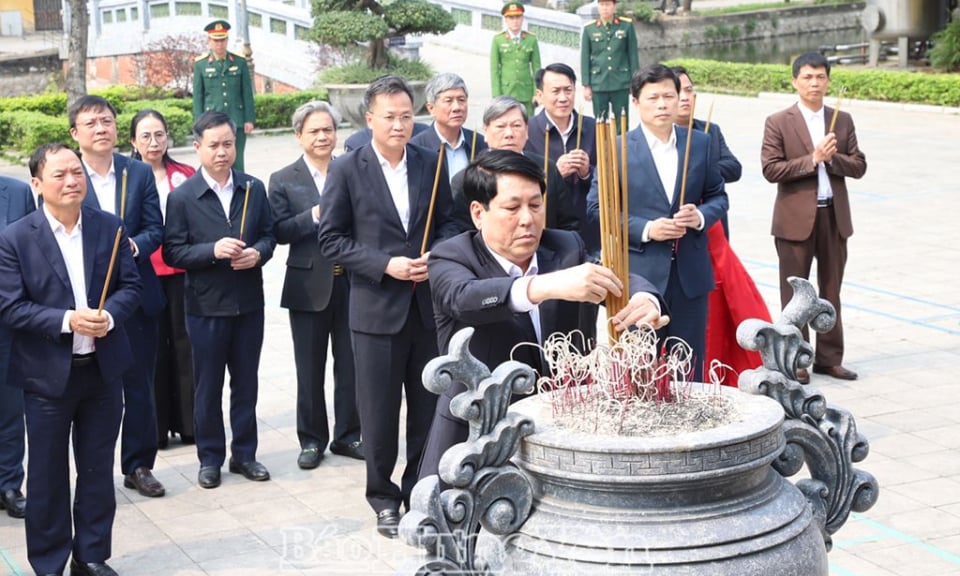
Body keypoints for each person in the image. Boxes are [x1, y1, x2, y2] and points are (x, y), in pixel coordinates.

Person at [420, 149, 666, 480]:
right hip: (476, 432)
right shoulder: (451, 256)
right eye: (512, 207)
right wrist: (542, 286)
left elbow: (611, 276)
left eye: (536, 205)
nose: (527, 219)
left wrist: (644, 297)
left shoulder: (565, 246)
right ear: (478, 213)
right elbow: (465, 298)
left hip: (557, 428)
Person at [317, 75, 459, 539]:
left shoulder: (429, 161)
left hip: (425, 307)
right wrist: (386, 265)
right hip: (376, 309)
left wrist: (434, 257)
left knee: (426, 408)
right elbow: (331, 240)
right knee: (378, 412)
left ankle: (419, 487)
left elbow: (451, 223)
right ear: (369, 118)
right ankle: (382, 497)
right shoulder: (347, 169)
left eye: (406, 116)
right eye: (390, 117)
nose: (399, 125)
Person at [0, 143, 141, 576]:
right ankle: (48, 562)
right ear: (37, 185)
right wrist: (67, 320)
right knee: (47, 477)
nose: (71, 181)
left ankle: (91, 556)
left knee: (98, 471)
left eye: (76, 173)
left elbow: (131, 287)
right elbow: (10, 307)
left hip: (101, 371)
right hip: (46, 378)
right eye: (59, 175)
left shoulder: (109, 227)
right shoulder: (17, 238)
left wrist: (110, 316)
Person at [587, 64, 727, 382]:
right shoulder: (616, 148)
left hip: (690, 274)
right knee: (640, 366)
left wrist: (701, 216)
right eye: (653, 98)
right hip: (640, 278)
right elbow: (597, 209)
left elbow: (719, 196)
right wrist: (648, 229)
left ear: (680, 98)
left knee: (690, 366)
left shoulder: (701, 144)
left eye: (668, 95)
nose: (662, 104)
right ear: (635, 103)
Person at [163, 111, 276, 489]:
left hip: (248, 304)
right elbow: (173, 252)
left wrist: (258, 253)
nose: (222, 152)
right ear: (197, 148)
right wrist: (213, 250)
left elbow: (269, 235)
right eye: (213, 145)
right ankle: (209, 457)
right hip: (205, 306)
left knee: (246, 383)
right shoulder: (183, 197)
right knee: (207, 386)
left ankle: (245, 454)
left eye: (228, 144)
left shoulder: (253, 188)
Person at [70, 95, 167, 499]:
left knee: (140, 384)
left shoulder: (138, 173)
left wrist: (134, 247)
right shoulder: (68, 176)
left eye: (107, 121)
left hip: (136, 296)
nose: (101, 129)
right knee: (92, 389)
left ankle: (139, 464)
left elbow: (155, 228)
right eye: (91, 123)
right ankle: (93, 468)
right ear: (75, 133)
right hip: (88, 301)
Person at [761, 51, 867, 383]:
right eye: (807, 77)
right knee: (795, 293)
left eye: (820, 77)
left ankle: (829, 358)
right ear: (795, 81)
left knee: (831, 290)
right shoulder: (778, 121)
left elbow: (859, 165)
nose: (814, 83)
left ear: (828, 80)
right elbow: (771, 169)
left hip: (833, 217)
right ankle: (797, 359)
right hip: (794, 221)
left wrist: (833, 160)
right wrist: (812, 158)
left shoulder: (842, 119)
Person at [268, 101, 363, 469]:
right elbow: (278, 231)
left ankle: (349, 435)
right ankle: (311, 440)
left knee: (351, 364)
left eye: (328, 130)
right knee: (309, 367)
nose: (323, 137)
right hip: (308, 284)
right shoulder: (283, 178)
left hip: (353, 282)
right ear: (299, 136)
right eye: (314, 131)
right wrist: (314, 215)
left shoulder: (351, 169)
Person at [671, 67, 767, 387]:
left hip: (711, 230)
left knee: (729, 301)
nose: (686, 97)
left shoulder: (708, 131)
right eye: (679, 91)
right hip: (673, 235)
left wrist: (703, 164)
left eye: (690, 90)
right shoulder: (657, 143)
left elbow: (734, 167)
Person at [129, 109, 197, 448]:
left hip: (183, 271)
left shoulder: (185, 175)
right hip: (145, 273)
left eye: (159, 135)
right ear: (133, 142)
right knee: (152, 350)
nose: (153, 142)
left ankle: (189, 422)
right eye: (145, 136)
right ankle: (155, 429)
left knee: (186, 346)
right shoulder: (128, 179)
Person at [450, 96, 579, 234]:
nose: (509, 134)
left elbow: (569, 225)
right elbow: (462, 232)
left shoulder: (547, 168)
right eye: (500, 126)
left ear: (527, 130)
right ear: (486, 131)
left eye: (516, 125)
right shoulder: (465, 179)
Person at [525, 62, 600, 255]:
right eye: (555, 91)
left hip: (589, 224)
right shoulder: (527, 131)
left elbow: (610, 181)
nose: (563, 98)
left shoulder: (594, 128)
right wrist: (552, 173)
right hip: (547, 227)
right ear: (540, 96)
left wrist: (587, 172)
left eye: (568, 90)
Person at [0, 175, 35, 521]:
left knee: (9, 406)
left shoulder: (18, 191)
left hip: (7, 318)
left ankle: (9, 483)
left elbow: (33, 249)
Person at [193, 19, 255, 171]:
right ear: (209, 41)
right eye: (216, 40)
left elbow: (247, 93)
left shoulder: (239, 62)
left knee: (237, 160)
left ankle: (239, 191)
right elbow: (198, 97)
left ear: (227, 40)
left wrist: (249, 119)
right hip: (211, 122)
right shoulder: (201, 64)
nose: (219, 44)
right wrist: (198, 124)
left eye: (222, 40)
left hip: (237, 120)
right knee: (213, 160)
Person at [410, 72, 487, 181]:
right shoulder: (415, 148)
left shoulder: (480, 143)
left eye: (461, 100)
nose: (457, 107)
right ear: (431, 108)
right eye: (448, 101)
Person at [581, 0, 638, 131]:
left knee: (622, 121)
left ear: (614, 6)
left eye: (608, 5)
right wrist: (586, 85)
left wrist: (635, 82)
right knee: (600, 121)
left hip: (621, 81)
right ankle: (603, 149)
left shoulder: (626, 26)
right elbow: (585, 58)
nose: (604, 8)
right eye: (601, 5)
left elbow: (632, 55)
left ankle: (621, 149)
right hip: (599, 82)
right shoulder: (590, 29)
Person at [490, 1, 541, 116]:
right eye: (511, 18)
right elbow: (494, 70)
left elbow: (537, 68)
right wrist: (497, 96)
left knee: (528, 125)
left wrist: (537, 92)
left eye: (518, 17)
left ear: (522, 18)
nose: (515, 21)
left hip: (526, 92)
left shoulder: (531, 39)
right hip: (506, 91)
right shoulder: (498, 40)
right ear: (506, 20)